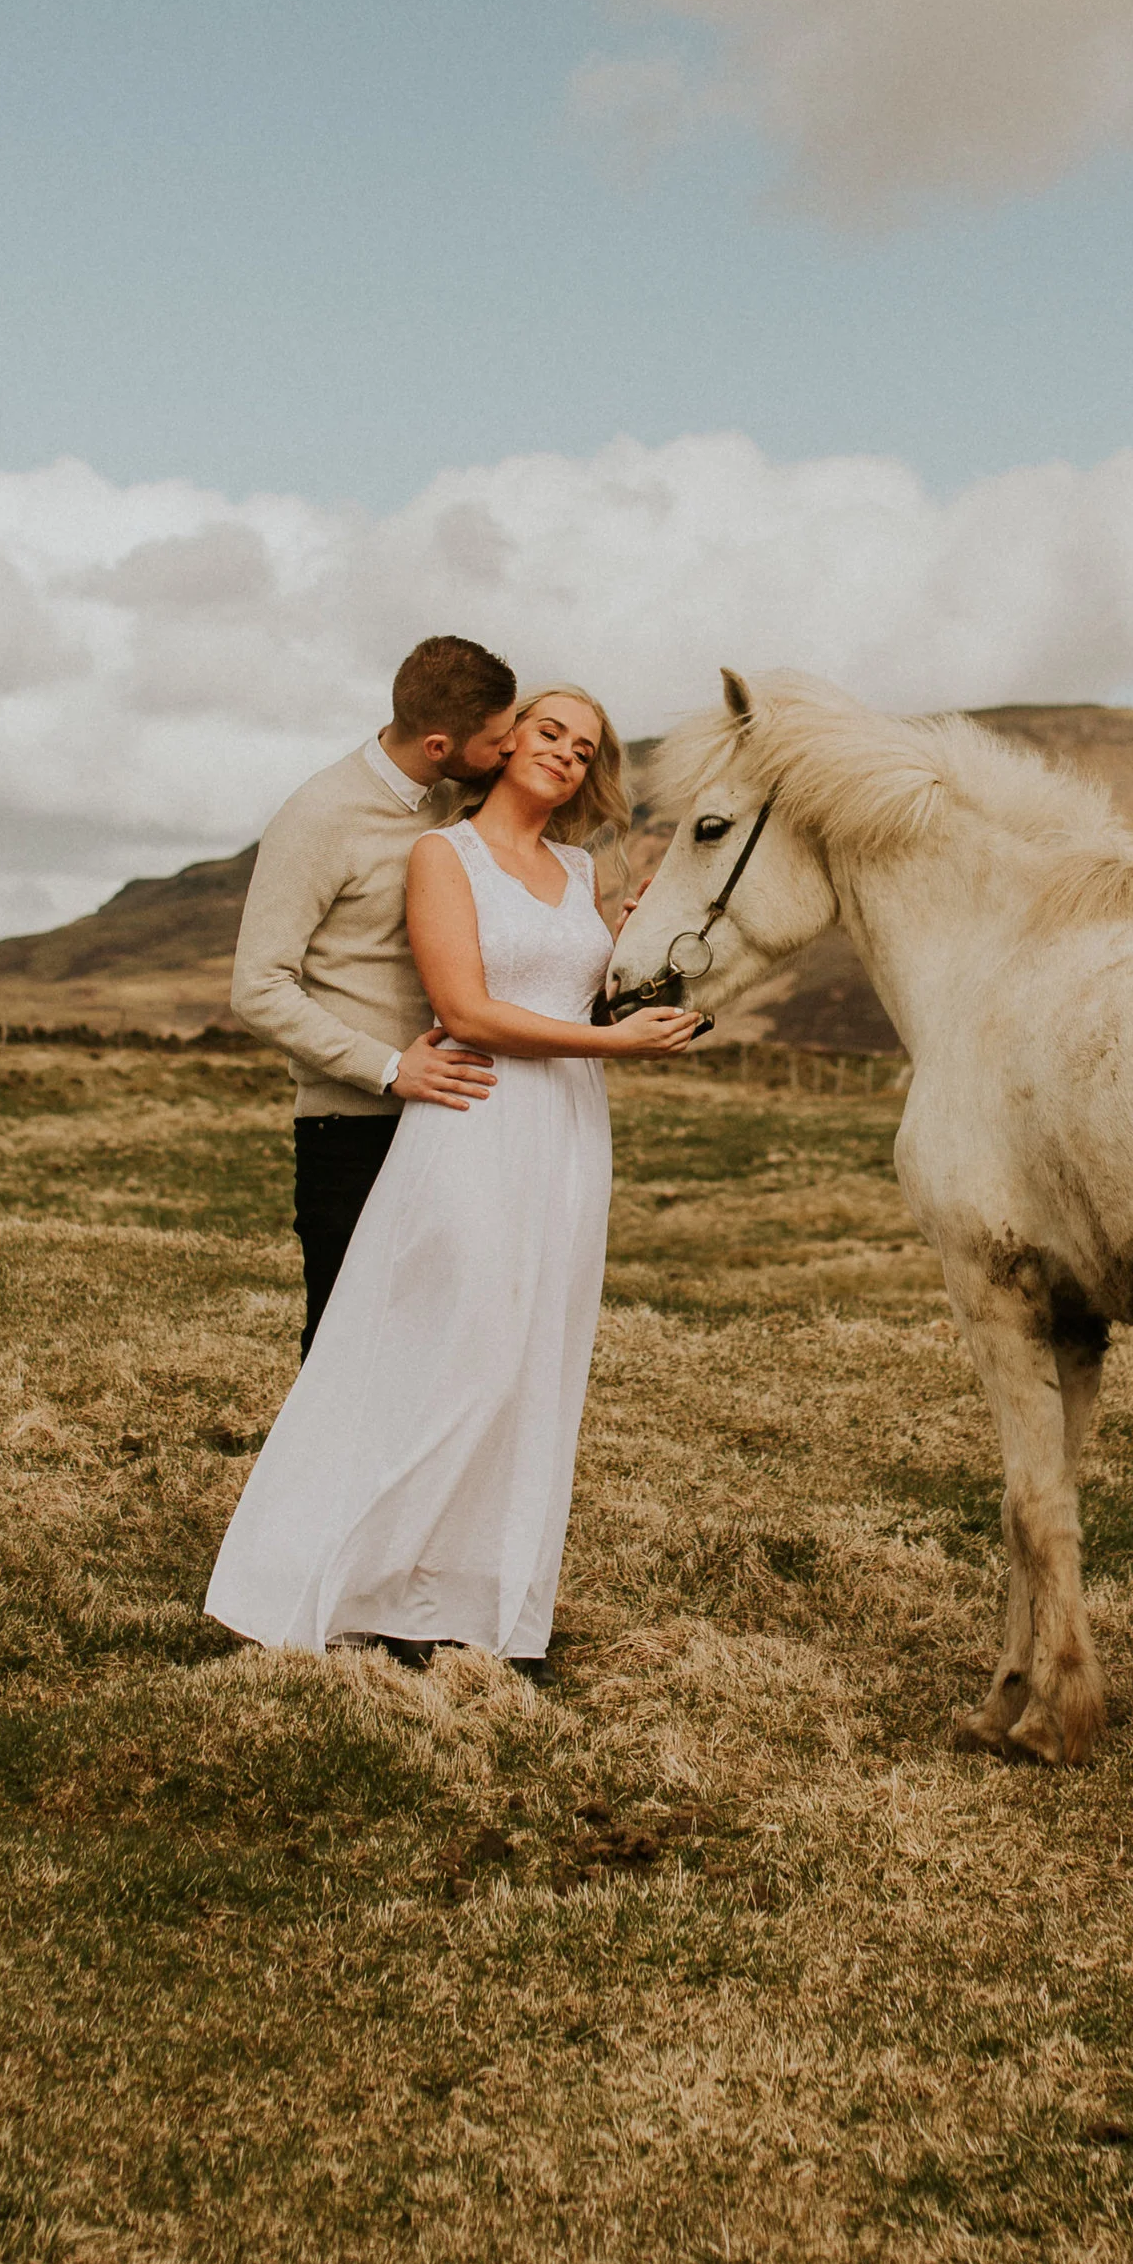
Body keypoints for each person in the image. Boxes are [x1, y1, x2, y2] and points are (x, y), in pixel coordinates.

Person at [204, 685, 705, 1671]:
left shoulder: (579, 867)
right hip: (475, 1116)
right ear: (505, 741)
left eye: (584, 745)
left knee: (530, 1361)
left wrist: (629, 943)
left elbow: (579, 990)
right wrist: (613, 1042)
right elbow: (467, 1011)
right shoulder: (444, 856)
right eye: (549, 730)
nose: (565, 751)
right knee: (460, 1354)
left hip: (567, 1129)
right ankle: (349, 1583)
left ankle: (474, 1609)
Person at [231, 633, 525, 1355]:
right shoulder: (320, 816)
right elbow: (257, 986)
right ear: (437, 744)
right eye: (496, 740)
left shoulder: (456, 801)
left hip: (454, 1117)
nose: (511, 749)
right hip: (352, 1128)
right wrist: (390, 1068)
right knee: (346, 1347)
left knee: (437, 1344)